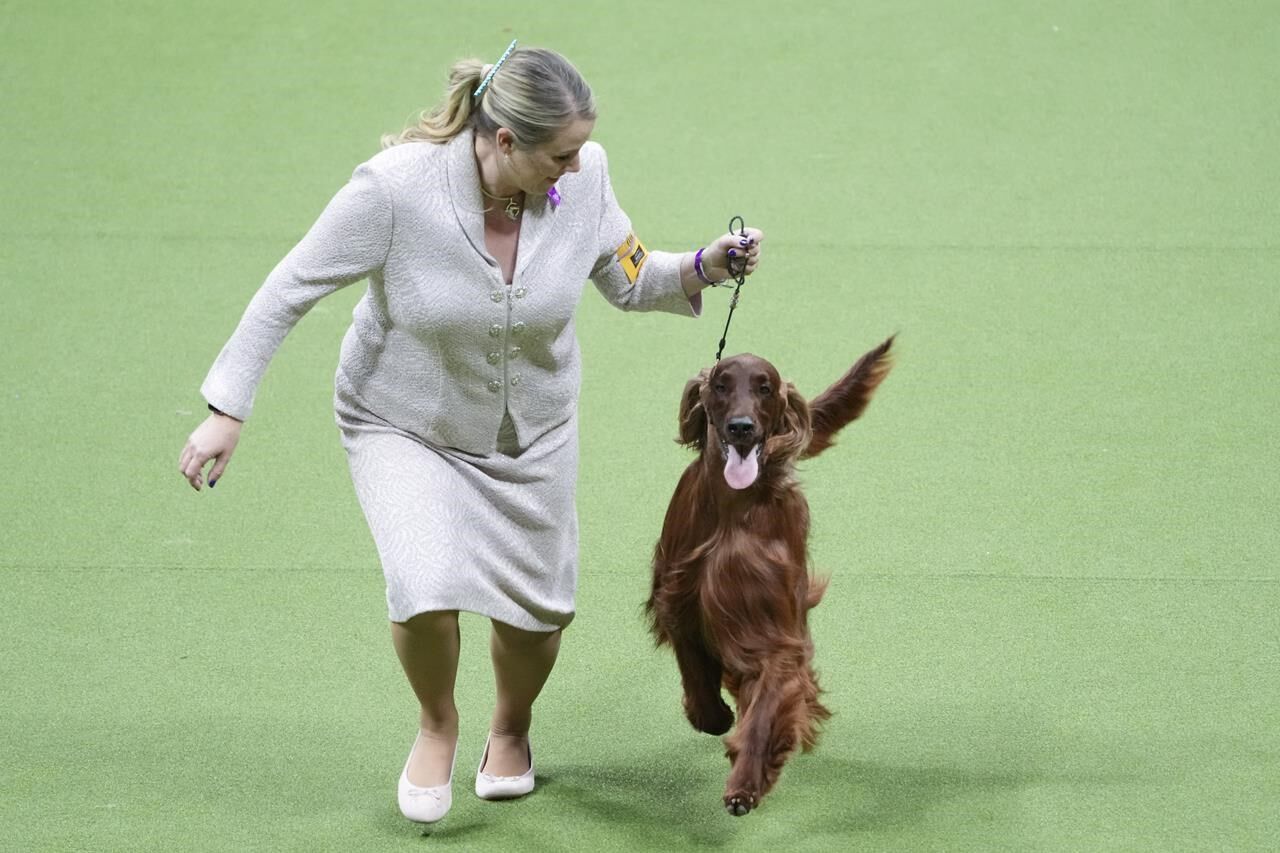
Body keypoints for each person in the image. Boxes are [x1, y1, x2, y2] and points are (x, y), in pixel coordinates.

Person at [178, 41, 763, 824]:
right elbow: (291, 287)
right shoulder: (394, 191)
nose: (576, 164)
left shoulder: (583, 178)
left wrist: (704, 264)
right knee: (424, 583)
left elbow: (627, 274)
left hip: (534, 430)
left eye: (581, 147)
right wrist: (227, 409)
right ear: (504, 141)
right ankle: (437, 723)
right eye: (560, 152)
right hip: (404, 420)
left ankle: (511, 727)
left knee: (538, 611)